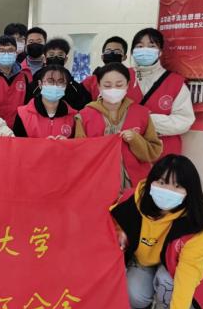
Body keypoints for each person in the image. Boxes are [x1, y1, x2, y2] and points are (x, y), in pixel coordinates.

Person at [111, 155, 203, 309]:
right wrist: (119, 230)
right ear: (151, 181)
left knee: (167, 283)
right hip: (143, 263)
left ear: (190, 191)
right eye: (162, 182)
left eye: (177, 186)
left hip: (173, 270)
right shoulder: (132, 201)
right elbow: (108, 222)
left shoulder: (196, 226)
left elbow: (186, 278)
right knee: (131, 289)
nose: (167, 190)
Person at [75, 63, 163, 190]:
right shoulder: (84, 116)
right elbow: (79, 154)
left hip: (135, 184)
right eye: (107, 85)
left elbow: (153, 152)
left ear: (127, 85)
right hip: (97, 184)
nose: (113, 89)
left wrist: (135, 139)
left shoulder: (141, 114)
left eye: (119, 85)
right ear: (99, 86)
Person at [131, 27, 195, 157]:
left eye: (151, 46)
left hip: (164, 153)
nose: (145, 50)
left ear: (160, 52)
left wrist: (147, 120)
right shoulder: (121, 78)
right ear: (133, 51)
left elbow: (184, 120)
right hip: (129, 151)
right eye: (140, 46)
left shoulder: (175, 82)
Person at [14, 65, 77, 139]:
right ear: (40, 84)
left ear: (65, 86)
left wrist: (67, 143)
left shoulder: (74, 117)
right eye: (50, 81)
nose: (55, 86)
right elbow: (17, 144)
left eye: (60, 82)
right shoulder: (23, 114)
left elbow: (78, 144)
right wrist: (43, 144)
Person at [0, 35, 32, 130]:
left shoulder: (25, 76)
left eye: (10, 50)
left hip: (18, 129)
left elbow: (28, 105)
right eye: (2, 51)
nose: (6, 54)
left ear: (16, 53)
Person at [82, 36, 141, 102]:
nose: (112, 53)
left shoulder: (134, 75)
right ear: (102, 56)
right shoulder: (91, 81)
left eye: (117, 52)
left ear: (124, 57)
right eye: (108, 51)